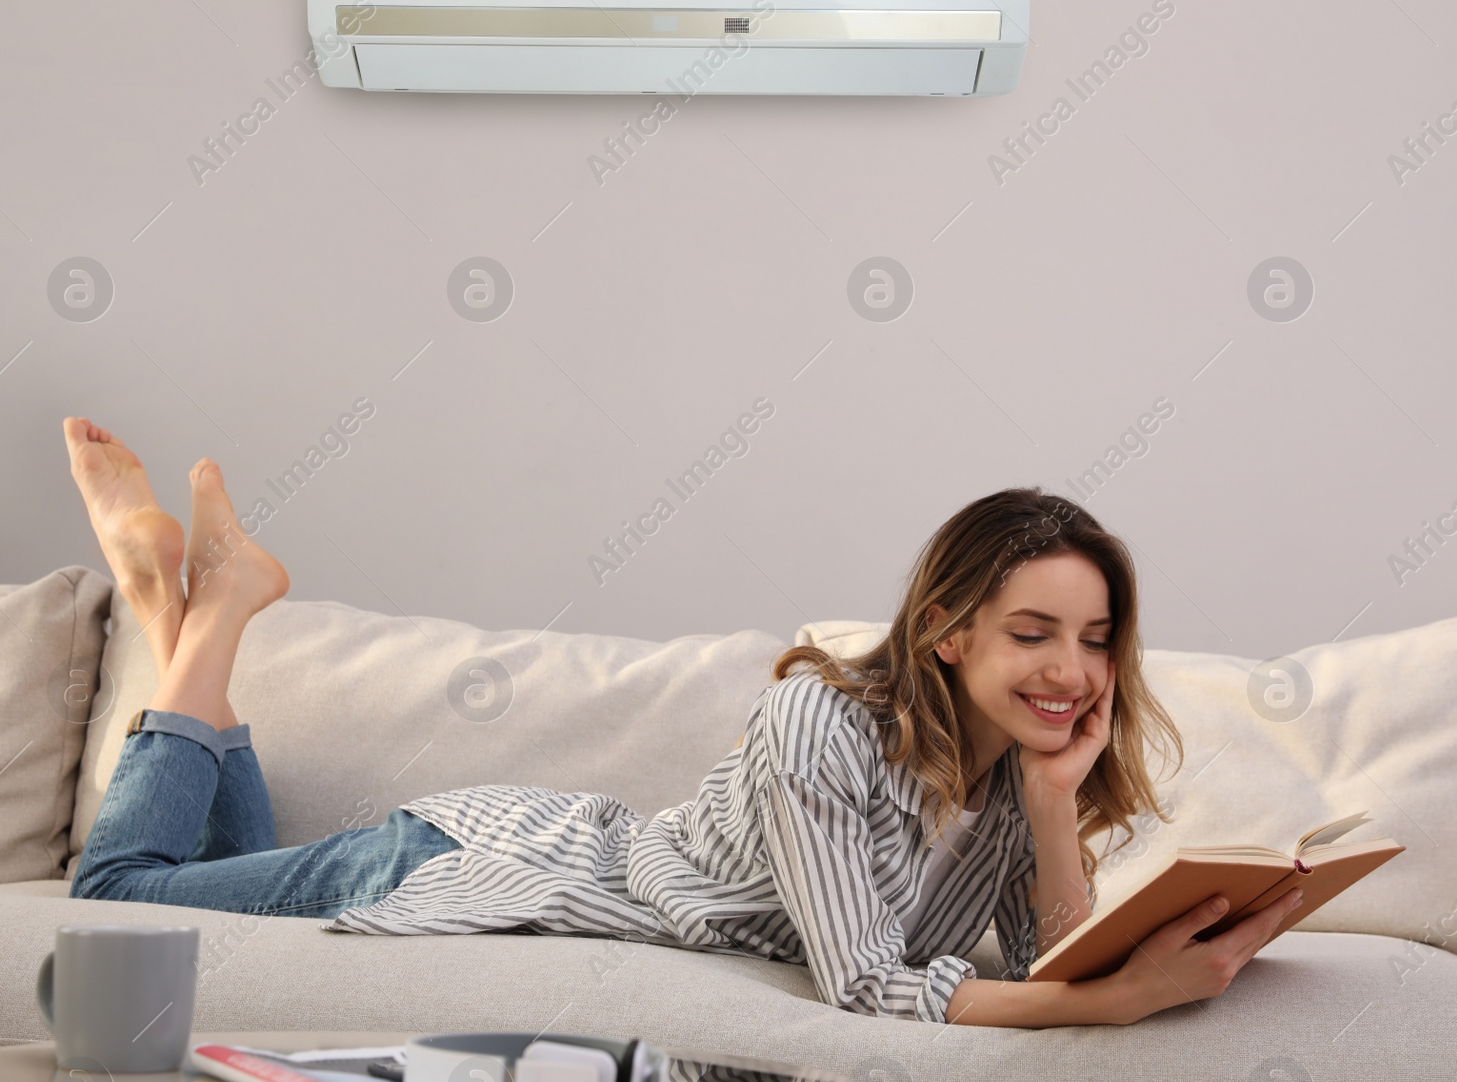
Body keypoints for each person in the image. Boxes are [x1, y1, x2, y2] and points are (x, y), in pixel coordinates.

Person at [64, 416, 1301, 1027]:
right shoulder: (817, 719)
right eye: (1033, 631)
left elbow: (1030, 958)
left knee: (203, 876)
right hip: (479, 859)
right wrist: (1111, 1005)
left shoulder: (1009, 775)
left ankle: (170, 612)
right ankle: (214, 610)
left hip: (539, 845)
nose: (1072, 670)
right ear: (947, 631)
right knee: (125, 887)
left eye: (1094, 639)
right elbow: (868, 980)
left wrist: (1047, 805)